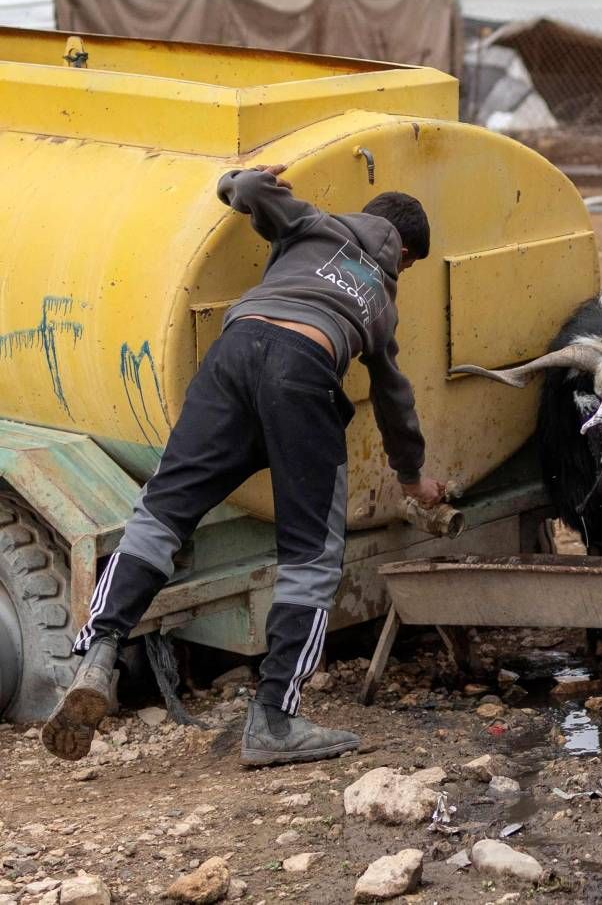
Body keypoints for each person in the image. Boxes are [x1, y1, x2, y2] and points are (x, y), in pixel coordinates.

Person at [42, 164, 447, 767]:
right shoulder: (381, 303)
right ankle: (275, 719)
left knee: (162, 513)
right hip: (304, 371)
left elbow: (250, 192)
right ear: (406, 254)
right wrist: (414, 479)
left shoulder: (316, 225)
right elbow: (394, 399)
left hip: (232, 354)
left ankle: (99, 651)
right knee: (312, 552)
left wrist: (246, 178)